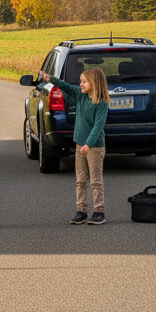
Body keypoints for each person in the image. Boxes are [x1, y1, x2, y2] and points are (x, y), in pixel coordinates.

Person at [37, 67, 110, 225]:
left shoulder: (102, 104)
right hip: (80, 146)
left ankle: (99, 211)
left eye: (84, 82)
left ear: (95, 83)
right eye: (81, 81)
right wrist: (51, 79)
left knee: (95, 180)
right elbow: (65, 86)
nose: (80, 84)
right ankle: (81, 211)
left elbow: (98, 127)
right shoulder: (79, 95)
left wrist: (88, 144)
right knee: (80, 180)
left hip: (94, 147)